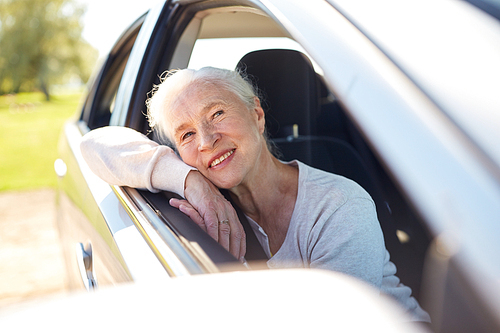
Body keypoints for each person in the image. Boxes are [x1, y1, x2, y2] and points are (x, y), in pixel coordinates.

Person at [80, 67, 430, 322]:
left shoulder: (339, 207)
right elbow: (93, 144)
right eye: (185, 135)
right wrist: (191, 182)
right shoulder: (200, 195)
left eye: (217, 113)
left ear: (257, 115)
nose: (205, 140)